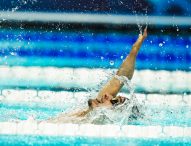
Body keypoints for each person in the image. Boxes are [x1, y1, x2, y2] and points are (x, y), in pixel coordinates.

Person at [47, 27, 147, 123]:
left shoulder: (97, 122)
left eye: (114, 101)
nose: (108, 95)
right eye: (114, 97)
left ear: (115, 114)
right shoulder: (92, 113)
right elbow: (121, 78)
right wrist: (135, 48)